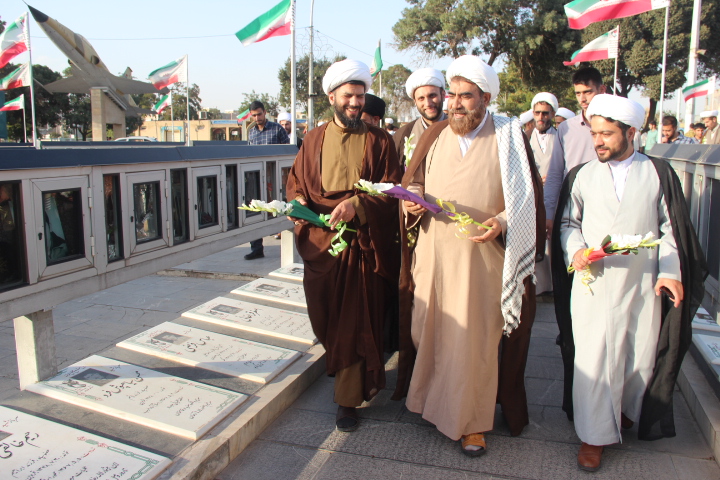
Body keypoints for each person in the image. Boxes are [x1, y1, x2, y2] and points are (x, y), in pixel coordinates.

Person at [396, 55, 544, 454]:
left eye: (465, 96)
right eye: (452, 95)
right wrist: (411, 203)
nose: (455, 103)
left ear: (486, 97)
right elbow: (415, 185)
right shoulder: (434, 135)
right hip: (435, 256)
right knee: (432, 331)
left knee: (474, 341)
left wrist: (499, 220)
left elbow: (527, 201)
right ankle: (429, 403)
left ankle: (472, 423)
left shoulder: (510, 138)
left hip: (483, 260)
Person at [552, 94, 707, 472]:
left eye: (607, 134)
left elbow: (671, 229)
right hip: (593, 284)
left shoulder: (658, 173)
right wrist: (575, 251)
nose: (598, 141)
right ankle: (593, 436)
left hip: (641, 288)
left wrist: (670, 271)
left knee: (636, 357)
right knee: (594, 356)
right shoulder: (582, 175)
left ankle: (620, 412)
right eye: (595, 133)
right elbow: (569, 224)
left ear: (632, 132)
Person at [286, 59, 402, 432]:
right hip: (322, 244)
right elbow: (297, 183)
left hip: (361, 245)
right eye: (348, 96)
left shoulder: (380, 141)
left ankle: (347, 399)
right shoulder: (314, 138)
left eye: (360, 95)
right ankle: (338, 363)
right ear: (332, 96)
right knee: (327, 318)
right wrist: (299, 209)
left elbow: (392, 191)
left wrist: (359, 206)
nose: (355, 102)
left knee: (356, 318)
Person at [245, 100, 290, 260]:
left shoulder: (277, 129)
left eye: (259, 114)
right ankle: (256, 248)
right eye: (254, 116)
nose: (257, 118)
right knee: (255, 211)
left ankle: (290, 248)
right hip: (257, 180)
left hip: (275, 179)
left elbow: (287, 154)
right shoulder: (252, 133)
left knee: (280, 210)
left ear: (265, 113)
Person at [528, 92, 563, 296]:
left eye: (545, 113)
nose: (541, 117)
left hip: (553, 196)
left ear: (552, 114)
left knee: (551, 239)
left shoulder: (560, 138)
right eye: (538, 113)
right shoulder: (526, 137)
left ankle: (552, 285)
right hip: (532, 195)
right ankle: (538, 286)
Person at [394, 68, 447, 167]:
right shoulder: (403, 135)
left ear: (443, 95)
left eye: (432, 96)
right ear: (415, 101)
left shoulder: (459, 129)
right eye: (421, 98)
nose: (428, 103)